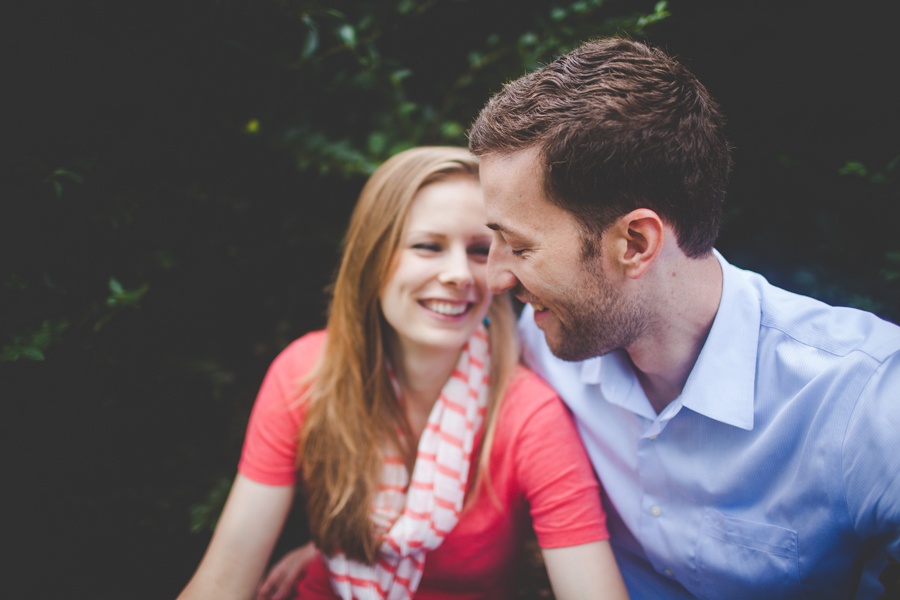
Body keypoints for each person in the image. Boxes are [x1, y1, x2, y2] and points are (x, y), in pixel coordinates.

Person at [468, 38, 900, 599]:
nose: (496, 279)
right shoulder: (541, 343)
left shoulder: (865, 399)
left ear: (635, 242)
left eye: (521, 248)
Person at [177, 147, 629, 600]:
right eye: (428, 246)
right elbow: (223, 580)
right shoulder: (304, 374)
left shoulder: (529, 415)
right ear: (372, 258)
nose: (459, 274)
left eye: (478, 250)